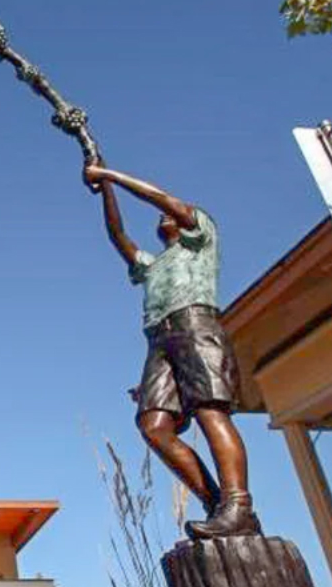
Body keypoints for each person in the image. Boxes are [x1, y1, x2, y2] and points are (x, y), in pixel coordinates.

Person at [83, 161, 261, 539]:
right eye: (161, 215)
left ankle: (238, 503)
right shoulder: (153, 265)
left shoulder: (201, 237)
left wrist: (112, 174)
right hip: (159, 340)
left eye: (170, 213)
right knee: (153, 426)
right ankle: (216, 503)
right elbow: (118, 236)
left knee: (210, 411)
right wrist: (104, 189)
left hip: (195, 324)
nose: (164, 215)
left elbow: (162, 198)